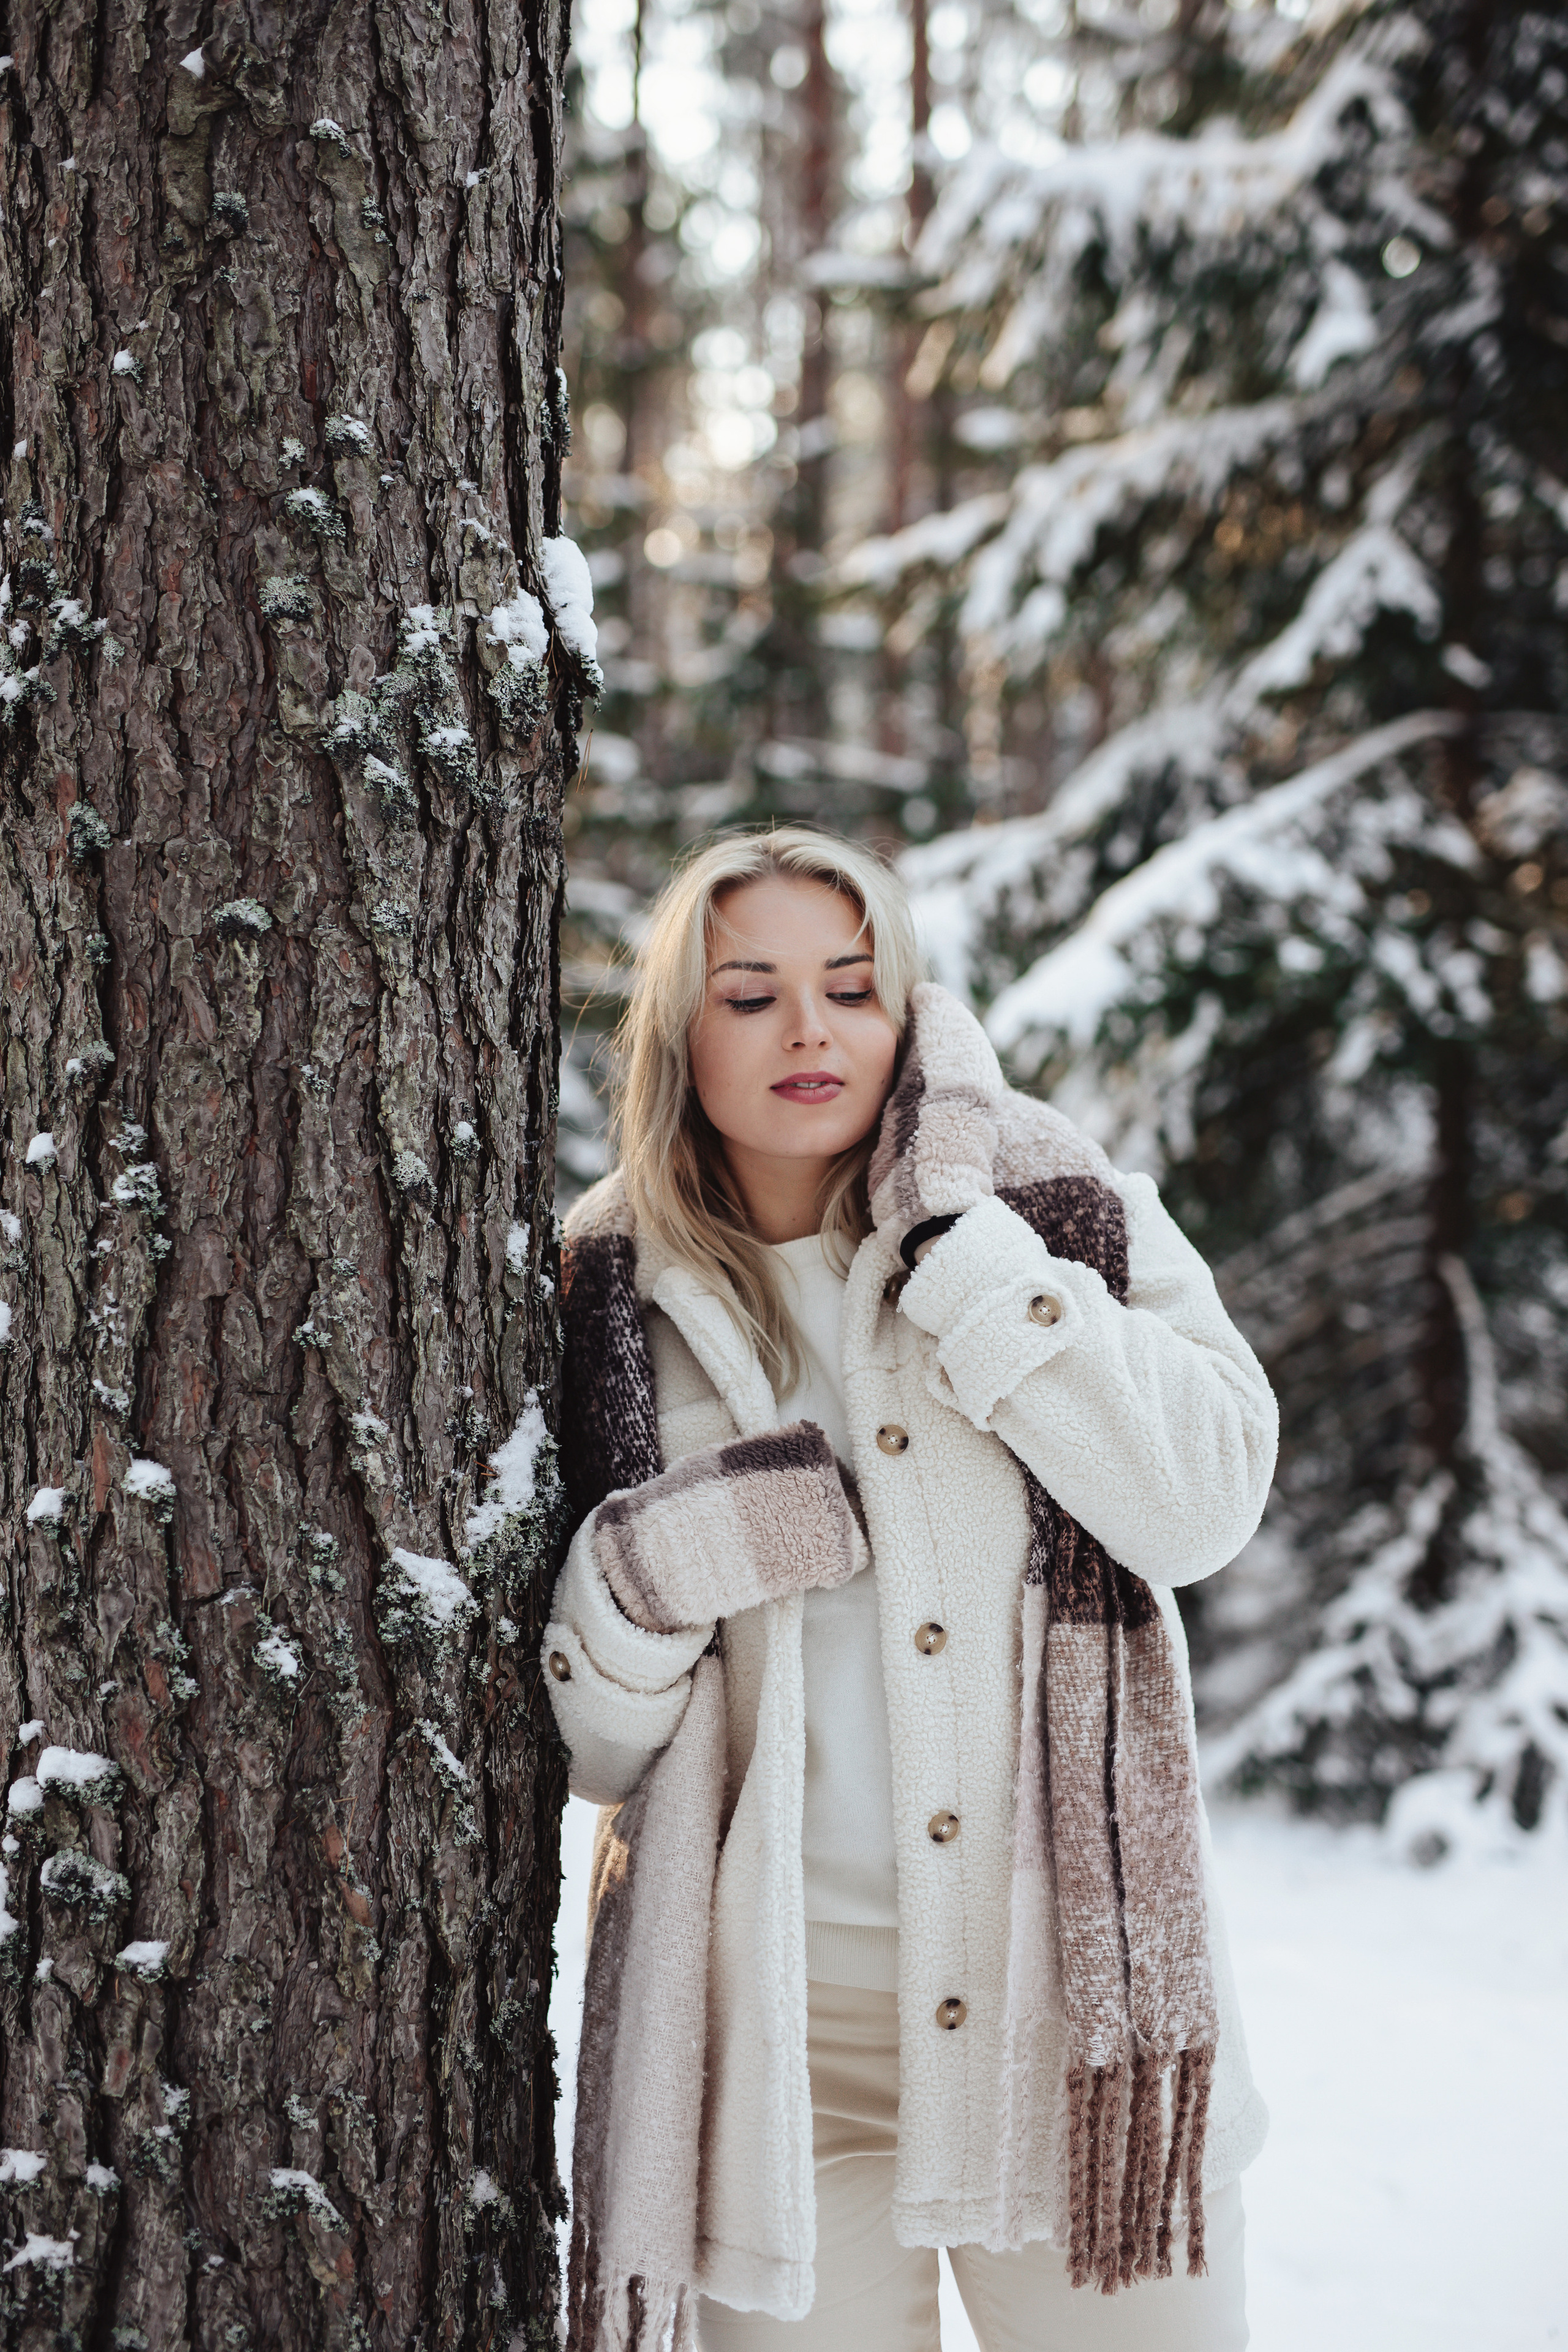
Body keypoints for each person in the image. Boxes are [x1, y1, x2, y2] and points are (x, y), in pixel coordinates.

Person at [543, 827, 1276, 2352]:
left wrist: (964, 1249)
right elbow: (601, 1762)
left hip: (1070, 2023)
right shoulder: (609, 1298)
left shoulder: (1067, 1218)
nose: (808, 1031)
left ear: (912, 1018)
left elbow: (1199, 1501)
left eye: (851, 988)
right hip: (774, 2056)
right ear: (682, 1034)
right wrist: (645, 1578)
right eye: (749, 996)